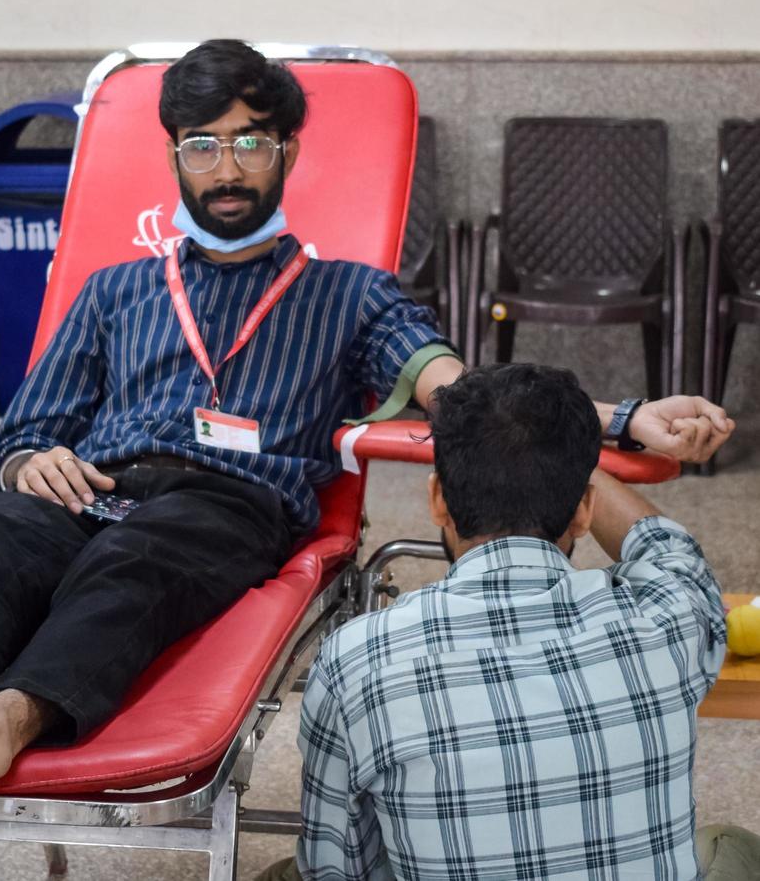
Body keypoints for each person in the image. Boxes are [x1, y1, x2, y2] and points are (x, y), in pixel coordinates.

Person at [0, 41, 733, 845]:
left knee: (133, 564)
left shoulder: (349, 294)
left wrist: (617, 417)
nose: (227, 168)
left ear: (287, 151)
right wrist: (29, 461)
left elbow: (463, 393)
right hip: (90, 484)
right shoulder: (114, 291)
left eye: (249, 142)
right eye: (204, 145)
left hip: (226, 501)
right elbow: (26, 427)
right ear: (173, 156)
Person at [262, 363, 736, 881]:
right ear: (585, 510)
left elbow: (337, 868)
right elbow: (668, 548)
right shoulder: (669, 619)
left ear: (438, 498)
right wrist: (567, 465)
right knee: (731, 847)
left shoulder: (356, 660)